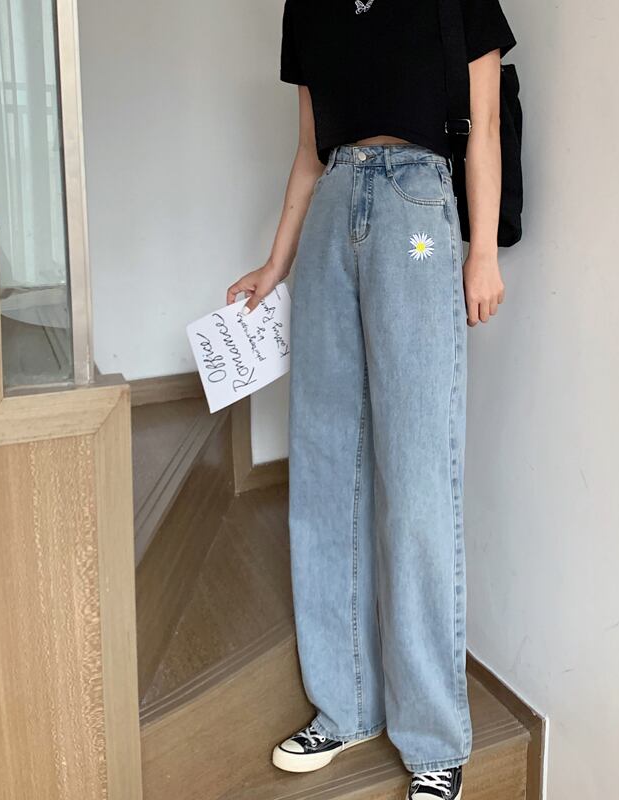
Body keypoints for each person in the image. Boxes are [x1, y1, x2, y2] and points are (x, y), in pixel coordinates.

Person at [226, 1, 516, 797]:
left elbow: (485, 126)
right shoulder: (308, 6)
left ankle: (433, 741)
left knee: (417, 483)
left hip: (418, 211)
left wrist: (482, 252)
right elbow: (308, 153)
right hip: (331, 215)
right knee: (327, 471)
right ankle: (346, 703)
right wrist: (274, 265)